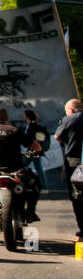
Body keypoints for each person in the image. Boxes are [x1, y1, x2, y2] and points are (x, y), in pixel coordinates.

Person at [54, 98, 83, 241]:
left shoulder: (68, 119)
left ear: (71, 110)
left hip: (74, 162)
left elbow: (58, 137)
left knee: (77, 196)